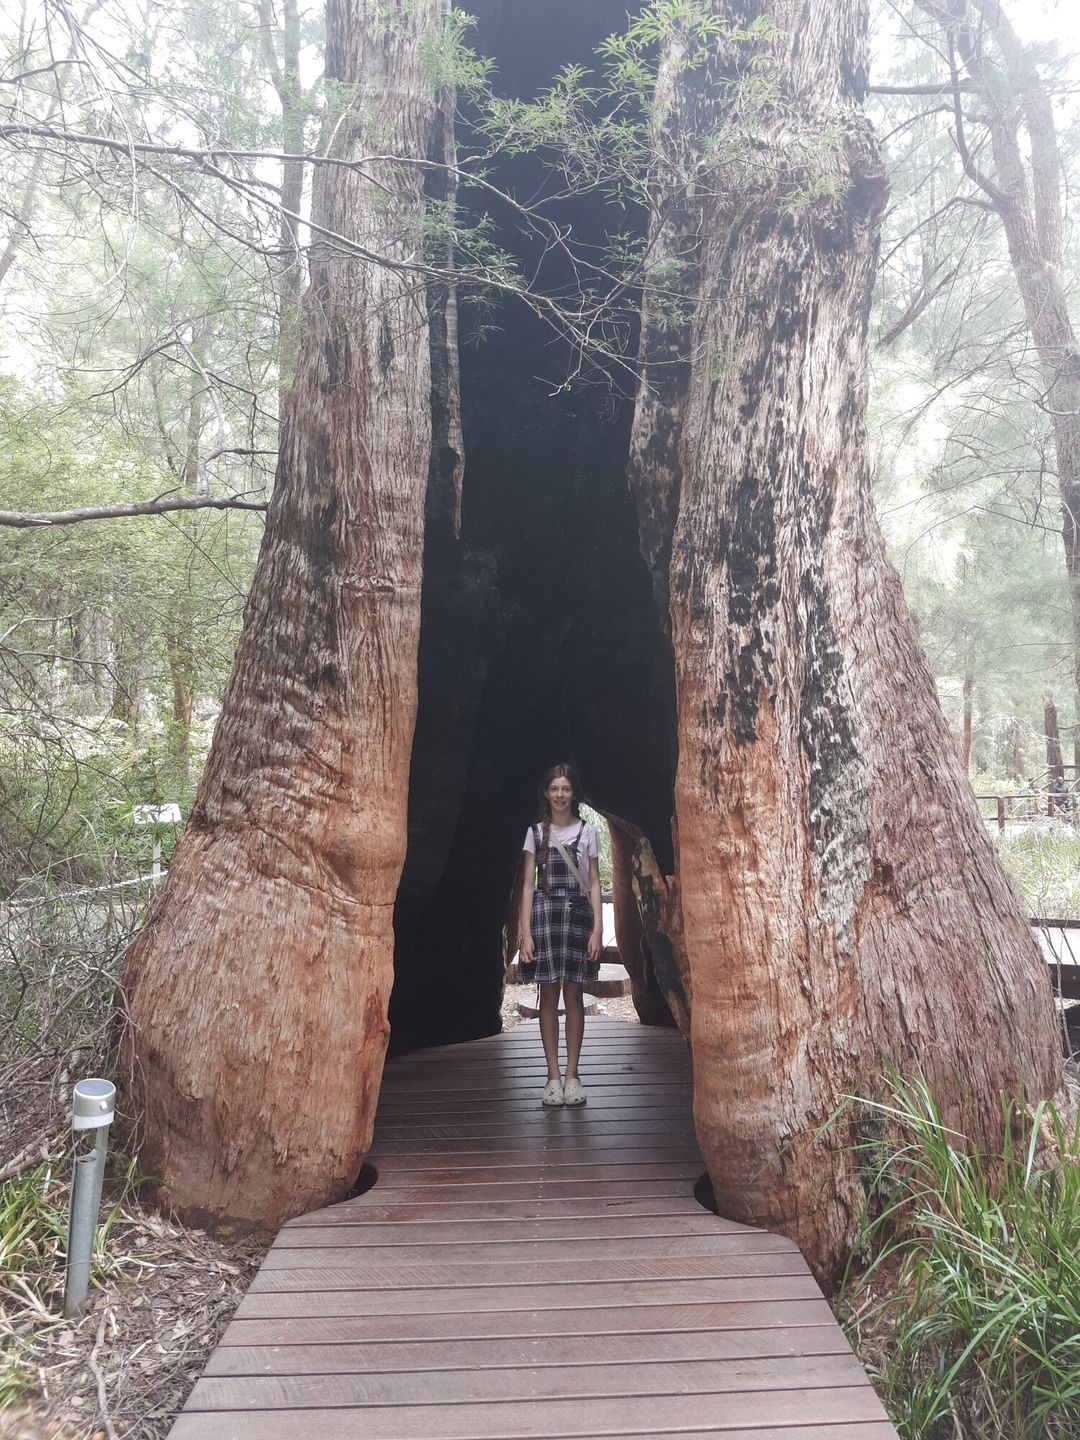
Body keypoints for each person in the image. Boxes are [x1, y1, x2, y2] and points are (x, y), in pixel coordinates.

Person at [519, 763, 603, 1108]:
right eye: (554, 788)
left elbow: (594, 882)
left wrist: (598, 928)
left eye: (565, 788)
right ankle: (552, 1076)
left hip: (577, 916)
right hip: (544, 916)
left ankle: (572, 1075)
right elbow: (528, 884)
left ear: (574, 793)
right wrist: (525, 932)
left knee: (574, 995)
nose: (559, 795)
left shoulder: (588, 832)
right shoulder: (535, 833)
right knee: (548, 995)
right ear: (546, 792)